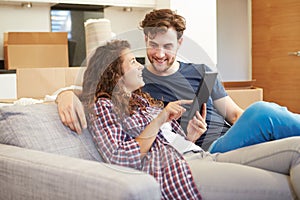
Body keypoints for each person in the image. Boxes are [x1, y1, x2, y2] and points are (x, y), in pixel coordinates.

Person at [56, 9, 300, 153]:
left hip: (235, 138)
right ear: (146, 39)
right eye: (153, 45)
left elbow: (235, 115)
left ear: (180, 44)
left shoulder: (202, 71)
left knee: (267, 116)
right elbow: (98, 87)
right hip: (206, 150)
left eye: (168, 46)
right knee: (263, 112)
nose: (159, 54)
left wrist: (257, 130)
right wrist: (64, 94)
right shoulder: (137, 80)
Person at [81, 39, 300, 200]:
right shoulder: (103, 107)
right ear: (114, 73)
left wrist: (190, 136)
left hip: (200, 155)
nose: (139, 65)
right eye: (131, 62)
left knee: (297, 149)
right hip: (177, 171)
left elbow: (168, 140)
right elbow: (120, 158)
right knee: (284, 187)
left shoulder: (142, 102)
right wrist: (160, 118)